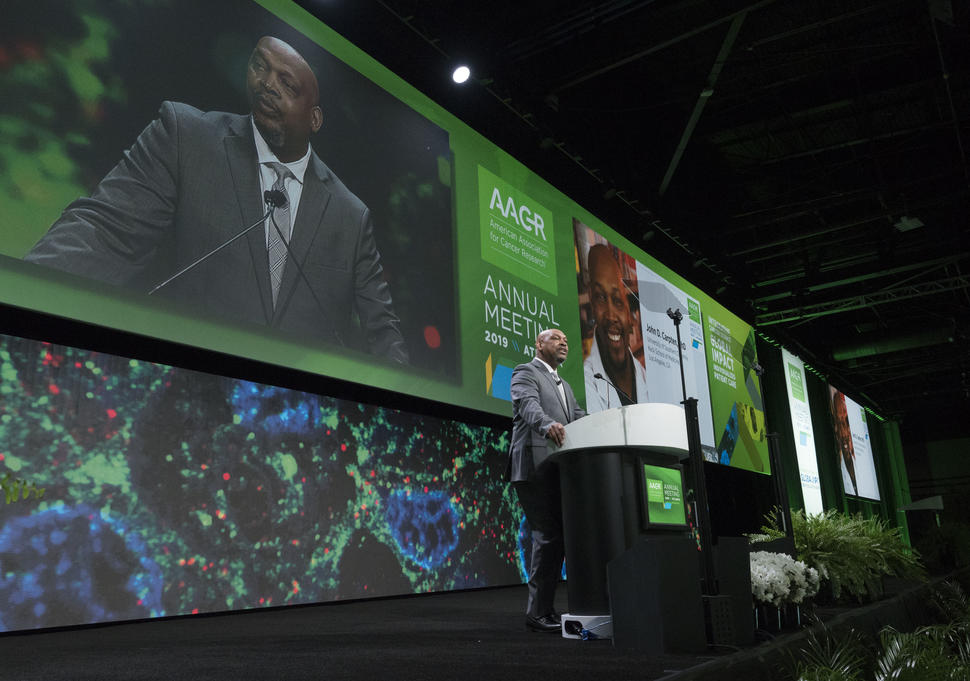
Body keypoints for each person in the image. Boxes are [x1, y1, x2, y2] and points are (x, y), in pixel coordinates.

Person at [24, 36, 408, 364]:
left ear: (315, 119)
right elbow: (104, 232)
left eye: (287, 84)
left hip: (297, 414)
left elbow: (382, 332)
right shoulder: (185, 137)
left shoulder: (350, 215)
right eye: (260, 67)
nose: (267, 85)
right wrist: (24, 294)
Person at [506, 328, 586, 633]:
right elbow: (528, 406)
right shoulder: (525, 372)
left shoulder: (565, 385)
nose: (564, 342)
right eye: (556, 338)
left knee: (558, 538)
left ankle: (546, 609)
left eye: (566, 339)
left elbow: (579, 418)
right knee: (548, 535)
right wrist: (546, 423)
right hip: (533, 465)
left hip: (556, 467)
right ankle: (537, 613)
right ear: (539, 344)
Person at [582, 244, 647, 411]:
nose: (611, 316)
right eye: (601, 298)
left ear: (628, 312)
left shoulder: (644, 375)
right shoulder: (586, 382)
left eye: (617, 301)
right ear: (591, 301)